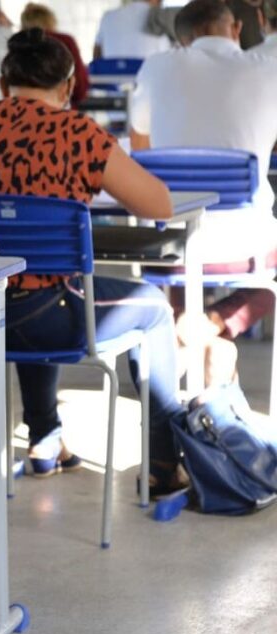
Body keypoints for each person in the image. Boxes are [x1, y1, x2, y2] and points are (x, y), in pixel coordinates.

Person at [0, 29, 187, 495]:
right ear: (66, 88)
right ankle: (165, 464)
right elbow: (159, 205)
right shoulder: (78, 133)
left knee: (20, 278)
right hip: (49, 314)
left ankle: (45, 440)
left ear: (4, 84)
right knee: (155, 309)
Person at [130, 0, 277, 378]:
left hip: (168, 251)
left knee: (176, 229)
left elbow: (140, 149)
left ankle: (183, 322)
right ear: (236, 30)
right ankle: (213, 324)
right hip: (245, 249)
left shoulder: (157, 67)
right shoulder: (268, 69)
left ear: (182, 39)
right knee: (267, 281)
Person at [19, 2, 88, 105]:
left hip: (20, 110)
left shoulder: (17, 43)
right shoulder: (66, 41)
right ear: (51, 21)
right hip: (61, 109)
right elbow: (80, 86)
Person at [93, 0, 171, 60]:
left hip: (110, 77)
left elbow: (96, 56)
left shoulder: (108, 16)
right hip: (148, 77)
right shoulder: (162, 18)